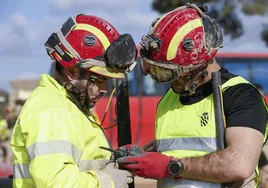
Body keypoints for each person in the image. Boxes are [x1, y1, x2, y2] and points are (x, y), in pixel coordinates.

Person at [117, 3, 268, 188]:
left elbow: (239, 164)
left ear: (201, 65)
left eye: (171, 73)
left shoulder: (241, 96)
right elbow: (177, 148)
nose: (168, 82)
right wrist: (144, 155)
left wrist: (170, 167)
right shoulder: (168, 99)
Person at [11, 14, 137, 188]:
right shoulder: (53, 110)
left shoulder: (72, 107)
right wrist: (108, 181)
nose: (104, 89)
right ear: (72, 72)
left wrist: (113, 166)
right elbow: (56, 182)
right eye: (98, 80)